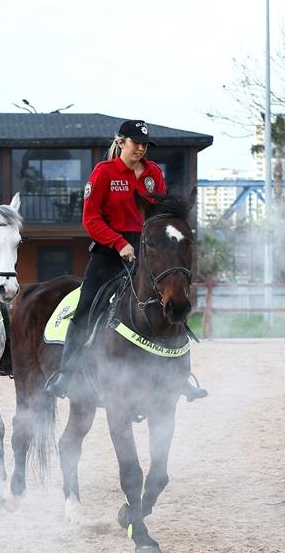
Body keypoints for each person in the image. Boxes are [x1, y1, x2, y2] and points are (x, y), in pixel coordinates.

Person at [44, 119, 206, 401]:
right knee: (86, 304)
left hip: (148, 249)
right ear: (121, 143)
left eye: (145, 144)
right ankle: (67, 372)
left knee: (170, 299)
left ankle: (180, 376)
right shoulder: (103, 172)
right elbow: (90, 218)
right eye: (136, 143)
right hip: (110, 251)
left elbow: (160, 214)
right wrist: (119, 243)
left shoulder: (154, 173)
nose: (141, 149)